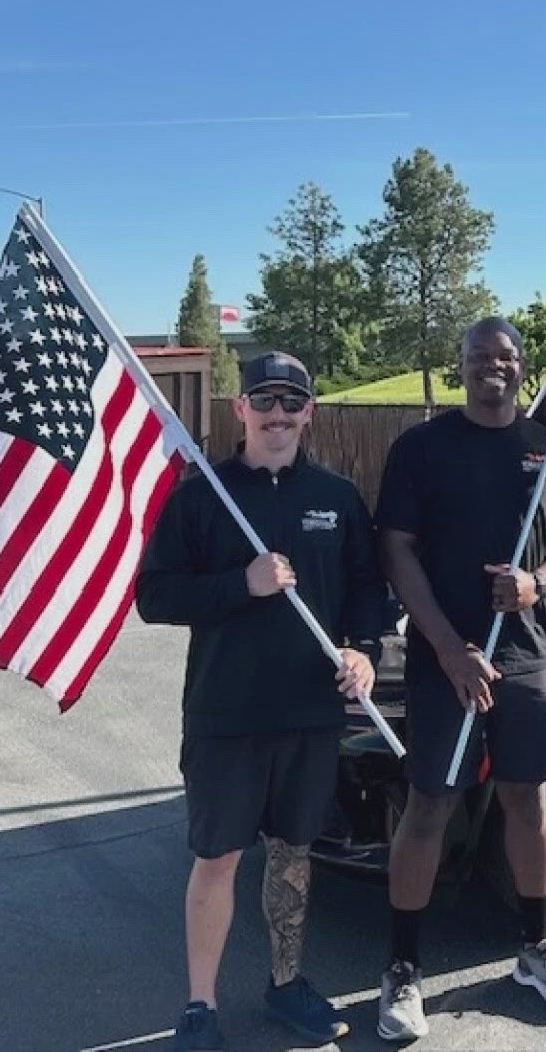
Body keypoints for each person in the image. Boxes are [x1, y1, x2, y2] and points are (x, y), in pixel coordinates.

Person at [135, 351, 385, 1049]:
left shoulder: (338, 499)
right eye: (263, 400)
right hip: (224, 716)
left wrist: (364, 648)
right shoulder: (200, 495)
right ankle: (199, 1005)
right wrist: (239, 584)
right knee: (217, 858)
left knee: (293, 854)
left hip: (308, 716)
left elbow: (368, 591)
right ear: (239, 408)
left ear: (309, 412)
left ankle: (284, 984)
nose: (278, 414)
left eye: (291, 401)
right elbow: (153, 597)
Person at [371, 316, 546, 1042]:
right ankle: (402, 971)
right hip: (449, 659)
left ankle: (535, 952)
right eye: (479, 356)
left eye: (504, 356)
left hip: (529, 656)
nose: (491, 366)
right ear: (463, 365)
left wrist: (540, 582)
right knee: (430, 807)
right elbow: (396, 551)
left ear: (521, 367)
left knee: (526, 801)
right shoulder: (421, 449)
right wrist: (444, 648)